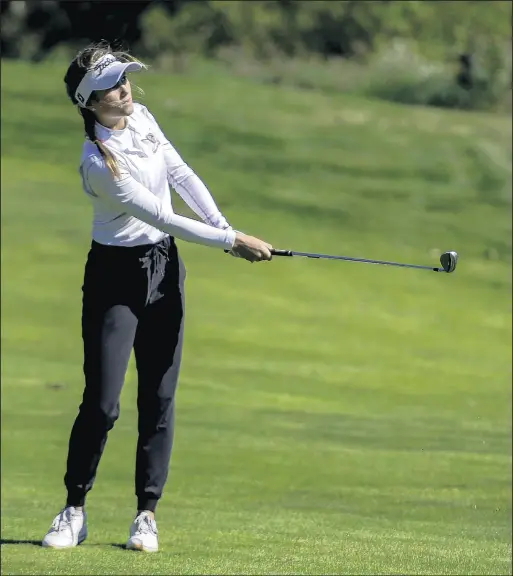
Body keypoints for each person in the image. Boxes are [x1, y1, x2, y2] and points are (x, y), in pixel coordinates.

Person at [42, 41, 273, 552]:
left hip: (164, 270)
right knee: (102, 403)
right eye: (111, 87)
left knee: (159, 396)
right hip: (115, 278)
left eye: (123, 80)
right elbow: (160, 214)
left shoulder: (142, 116)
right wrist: (231, 243)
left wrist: (225, 227)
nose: (124, 89)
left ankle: (145, 514)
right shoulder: (98, 163)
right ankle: (73, 509)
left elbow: (181, 175)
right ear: (91, 102)